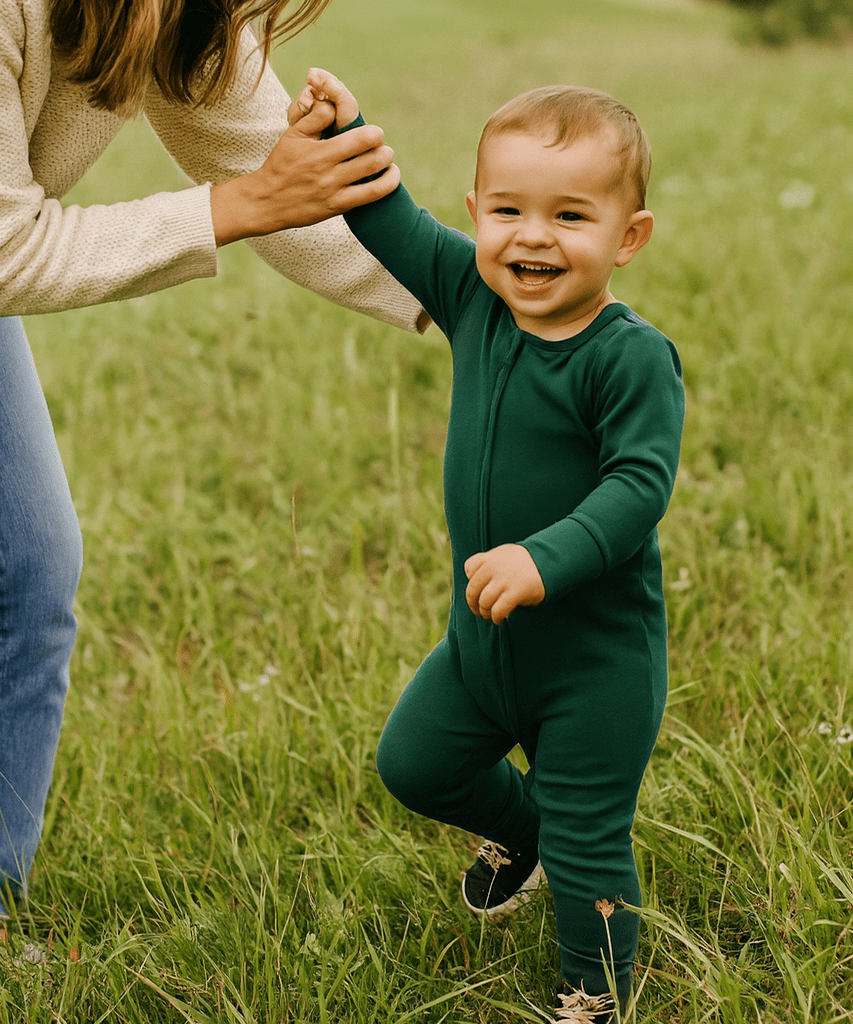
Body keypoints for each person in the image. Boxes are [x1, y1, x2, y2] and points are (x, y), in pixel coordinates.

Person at [0, 0, 425, 944]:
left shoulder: (168, 9)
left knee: (33, 565)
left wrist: (493, 306)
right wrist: (236, 207)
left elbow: (274, 177)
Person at [292, 70, 685, 1022]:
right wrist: (344, 131)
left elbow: (639, 486)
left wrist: (544, 557)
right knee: (416, 765)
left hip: (594, 663)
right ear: (477, 215)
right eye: (507, 209)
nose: (533, 236)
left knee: (594, 841)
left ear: (626, 237)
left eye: (570, 216)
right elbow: (389, 222)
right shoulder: (473, 296)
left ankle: (592, 999)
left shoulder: (628, 356)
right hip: (483, 645)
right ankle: (522, 836)